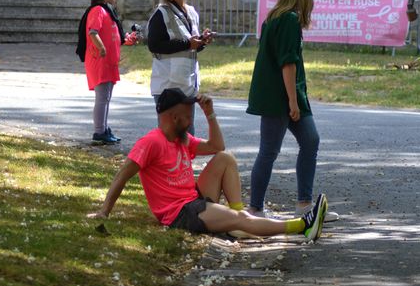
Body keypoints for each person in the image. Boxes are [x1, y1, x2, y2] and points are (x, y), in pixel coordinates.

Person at [89, 87, 328, 242]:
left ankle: (236, 219)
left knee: (226, 159)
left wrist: (210, 114)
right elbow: (122, 175)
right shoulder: (151, 143)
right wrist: (104, 211)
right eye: (188, 114)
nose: (191, 118)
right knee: (242, 220)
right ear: (173, 117)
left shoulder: (182, 138)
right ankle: (302, 227)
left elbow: (217, 147)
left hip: (194, 199)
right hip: (180, 213)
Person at [247, 0, 338, 221]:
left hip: (290, 94)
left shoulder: (276, 18)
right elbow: (287, 63)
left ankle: (304, 204)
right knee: (269, 151)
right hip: (280, 97)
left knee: (310, 140)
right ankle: (255, 208)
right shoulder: (286, 20)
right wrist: (292, 102)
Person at [147, 0, 214, 134]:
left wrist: (202, 41)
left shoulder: (191, 12)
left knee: (187, 134)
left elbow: (192, 48)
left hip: (187, 83)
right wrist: (187, 44)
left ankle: (185, 162)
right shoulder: (160, 13)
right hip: (167, 85)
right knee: (169, 135)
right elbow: (154, 45)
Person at [79, 0, 136, 145]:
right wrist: (102, 47)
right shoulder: (98, 10)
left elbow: (117, 36)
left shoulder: (108, 11)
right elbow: (93, 32)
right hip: (99, 60)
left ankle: (103, 129)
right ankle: (99, 131)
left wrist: (129, 39)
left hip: (109, 61)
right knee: (102, 97)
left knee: (106, 97)